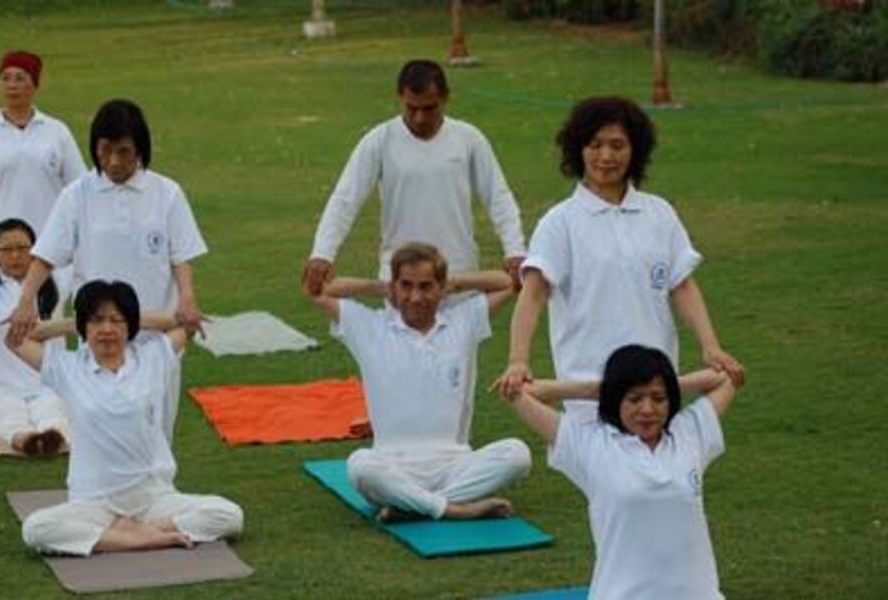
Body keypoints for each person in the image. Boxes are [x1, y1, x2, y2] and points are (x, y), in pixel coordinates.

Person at [497, 96, 743, 404]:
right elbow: (533, 294)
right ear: (579, 150)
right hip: (588, 394)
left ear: (635, 150)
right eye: (595, 145)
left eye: (617, 146)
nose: (606, 156)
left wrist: (711, 346)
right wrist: (518, 360)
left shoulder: (659, 213)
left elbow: (682, 285)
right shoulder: (560, 222)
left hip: (655, 392)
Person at [10, 280, 243, 556]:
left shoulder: (153, 358)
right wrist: (78, 322)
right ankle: (139, 540)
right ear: (83, 326)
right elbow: (16, 339)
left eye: (116, 321)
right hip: (95, 503)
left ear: (130, 325)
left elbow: (188, 323)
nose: (107, 329)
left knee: (229, 515)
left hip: (154, 499)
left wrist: (127, 317)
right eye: (97, 321)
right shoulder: (68, 368)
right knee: (36, 529)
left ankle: (141, 530)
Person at [306, 242, 531, 521]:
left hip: (453, 463)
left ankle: (413, 505)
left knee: (518, 454)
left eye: (426, 286)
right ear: (394, 287)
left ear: (441, 288)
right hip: (392, 464)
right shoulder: (369, 326)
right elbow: (318, 291)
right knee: (359, 466)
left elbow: (510, 283)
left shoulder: (462, 321)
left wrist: (455, 283)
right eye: (406, 286)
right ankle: (452, 508)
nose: (415, 297)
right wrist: (381, 288)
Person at [505, 344, 739, 599]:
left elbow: (727, 378)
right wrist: (600, 389)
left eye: (658, 399)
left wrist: (666, 384)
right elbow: (517, 393)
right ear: (616, 400)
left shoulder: (689, 434)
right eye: (634, 399)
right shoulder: (590, 446)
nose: (647, 410)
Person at [303, 59, 526, 295]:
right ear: (400, 96)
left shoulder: (469, 139)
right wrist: (322, 254)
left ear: (445, 97)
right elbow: (345, 199)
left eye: (429, 108)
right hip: (401, 283)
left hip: (460, 277)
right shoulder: (379, 141)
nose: (420, 117)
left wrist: (515, 250)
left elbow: (498, 197)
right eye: (412, 108)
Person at [6, 98, 208, 348]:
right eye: (105, 150)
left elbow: (180, 257)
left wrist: (187, 299)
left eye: (123, 151)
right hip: (97, 336)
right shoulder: (76, 195)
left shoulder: (167, 193)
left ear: (140, 149)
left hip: (156, 337)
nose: (113, 161)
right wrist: (25, 302)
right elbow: (47, 256)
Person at [0, 218, 68, 456]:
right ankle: (24, 439)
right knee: (8, 414)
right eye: (7, 250)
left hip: (45, 380)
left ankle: (50, 438)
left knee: (53, 411)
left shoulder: (56, 282)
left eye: (23, 248)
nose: (15, 256)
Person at [0, 50, 86, 241]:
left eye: (19, 78)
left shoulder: (57, 132)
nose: (12, 85)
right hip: (0, 245)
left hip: (50, 242)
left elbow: (79, 188)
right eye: (5, 78)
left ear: (35, 84)